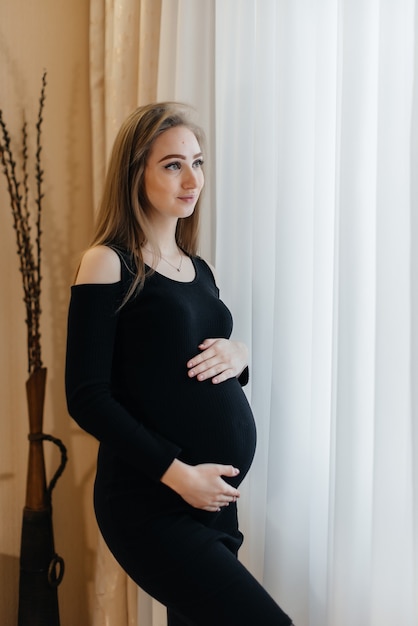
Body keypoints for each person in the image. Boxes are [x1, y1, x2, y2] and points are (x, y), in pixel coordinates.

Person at [65, 102, 293, 626]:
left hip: (212, 501)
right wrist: (177, 474)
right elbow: (87, 396)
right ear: (135, 172)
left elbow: (195, 358)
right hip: (152, 500)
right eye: (172, 164)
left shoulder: (199, 269)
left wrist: (242, 355)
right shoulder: (107, 262)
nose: (192, 179)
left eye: (198, 162)